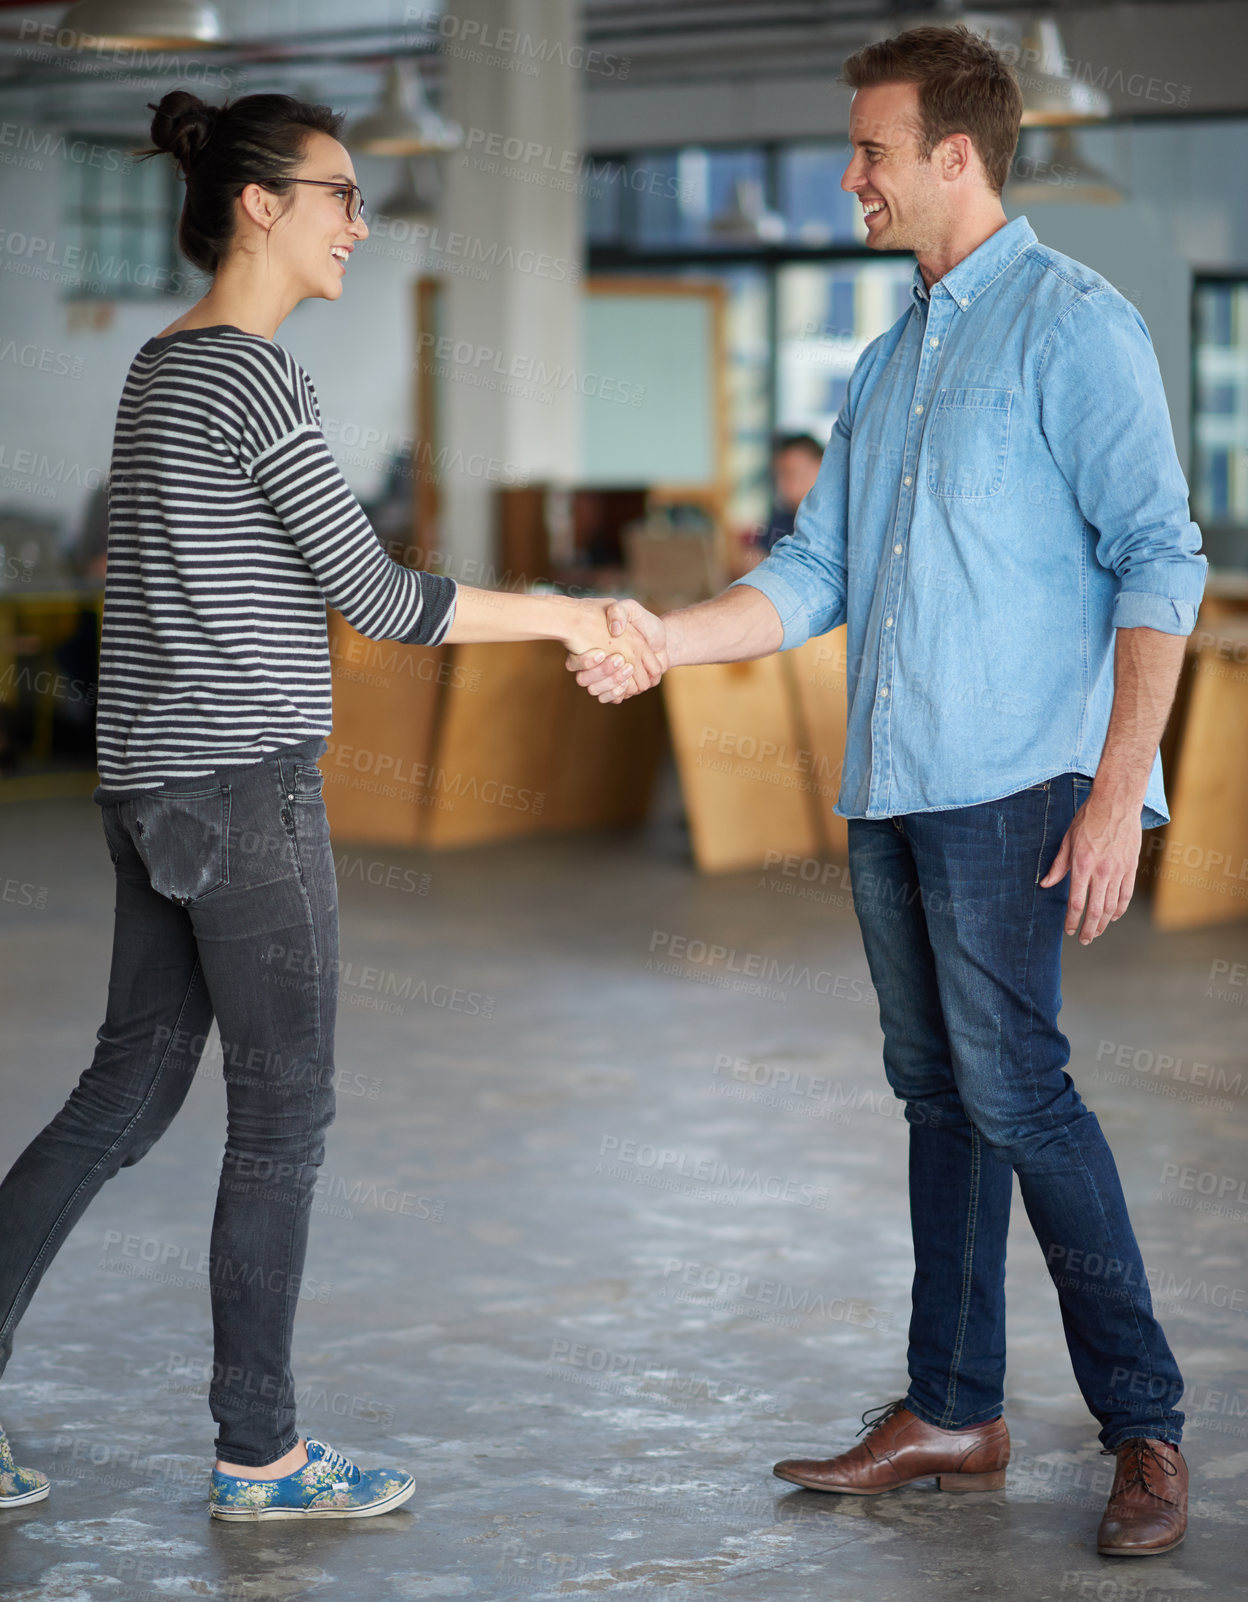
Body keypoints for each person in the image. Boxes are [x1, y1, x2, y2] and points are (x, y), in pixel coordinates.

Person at [570, 25, 1204, 1560]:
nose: (848, 174)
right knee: (940, 1094)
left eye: (869, 148)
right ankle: (954, 1405)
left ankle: (1146, 1425)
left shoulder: (1075, 326)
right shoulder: (890, 356)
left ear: (955, 156)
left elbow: (1160, 558)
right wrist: (664, 642)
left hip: (1014, 790)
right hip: (896, 789)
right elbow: (810, 576)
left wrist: (1120, 793)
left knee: (1019, 1092)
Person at [0, 89, 654, 1523]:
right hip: (242, 795)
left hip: (150, 789)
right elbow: (379, 595)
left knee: (123, 1094)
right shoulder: (255, 379)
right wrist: (567, 613)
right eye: (338, 193)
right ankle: (264, 1455)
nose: (359, 219)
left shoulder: (160, 373)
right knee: (283, 1119)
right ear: (259, 203)